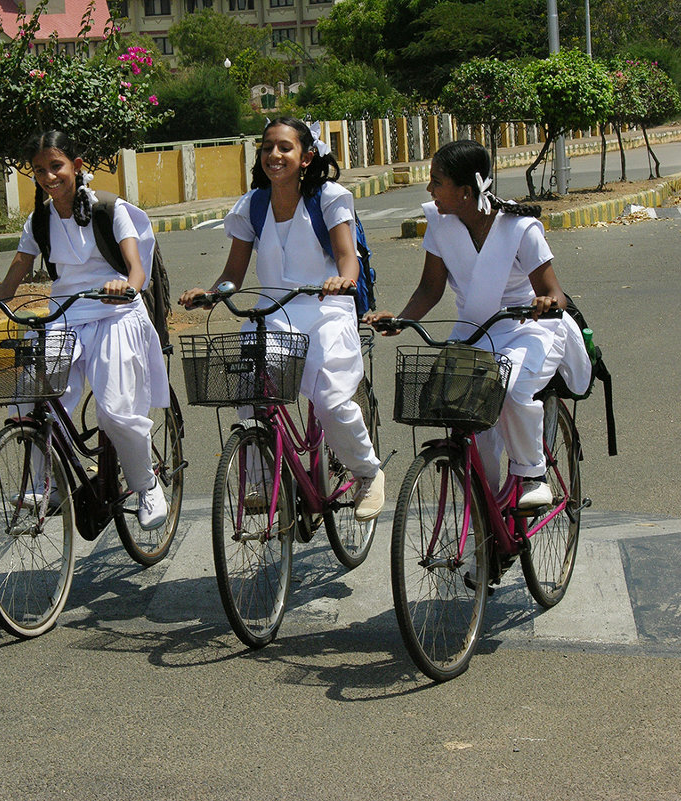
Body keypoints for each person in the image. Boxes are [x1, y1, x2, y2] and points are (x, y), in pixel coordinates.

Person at [0, 130, 171, 529]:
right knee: (26, 399)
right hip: (66, 316)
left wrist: (126, 287)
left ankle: (146, 485)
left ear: (77, 166)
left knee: (116, 412)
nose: (48, 177)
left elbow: (136, 268)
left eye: (55, 167)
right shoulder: (39, 220)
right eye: (39, 170)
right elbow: (11, 282)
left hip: (116, 314)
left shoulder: (111, 209)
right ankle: (46, 482)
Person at [366, 139, 591, 507]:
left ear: (466, 192)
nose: (429, 189)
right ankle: (486, 510)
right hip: (474, 333)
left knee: (514, 389)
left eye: (437, 181)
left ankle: (531, 474)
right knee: (463, 414)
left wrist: (546, 303)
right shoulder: (440, 224)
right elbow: (430, 288)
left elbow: (555, 293)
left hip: (529, 328)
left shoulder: (520, 227)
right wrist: (402, 320)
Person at [179, 117, 384, 520]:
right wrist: (212, 294)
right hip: (276, 312)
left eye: (285, 148)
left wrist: (344, 281)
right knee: (249, 393)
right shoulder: (253, 205)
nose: (274, 155)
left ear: (306, 157)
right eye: (267, 147)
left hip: (327, 307)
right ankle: (262, 478)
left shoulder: (329, 196)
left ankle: (367, 471)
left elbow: (347, 256)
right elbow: (232, 276)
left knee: (330, 401)